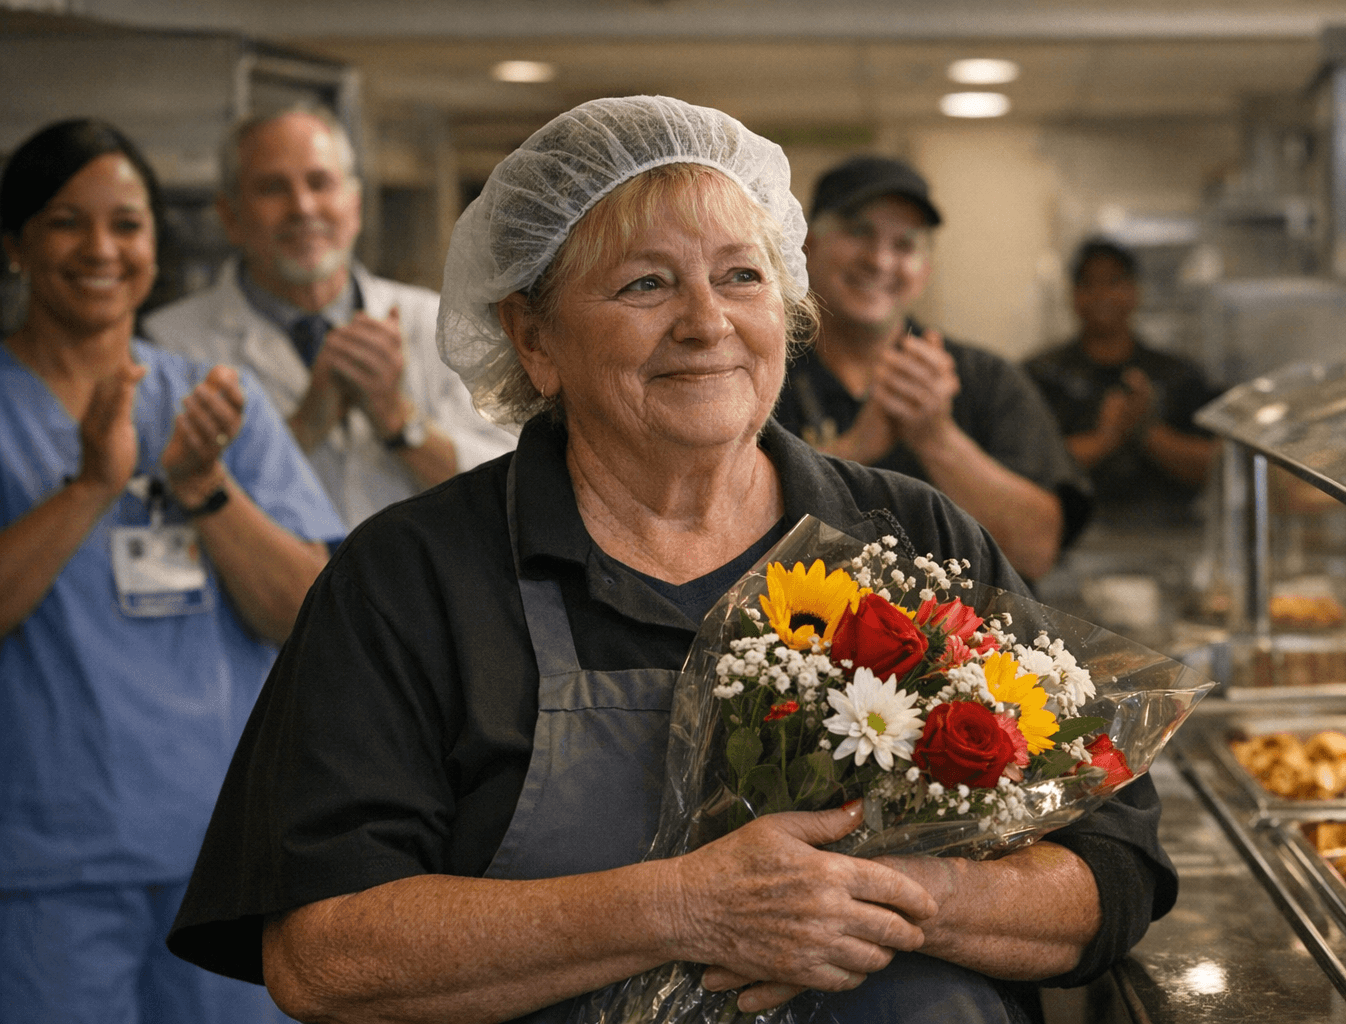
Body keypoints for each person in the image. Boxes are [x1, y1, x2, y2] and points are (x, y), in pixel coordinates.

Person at [169, 96, 1174, 1024]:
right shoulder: (413, 579)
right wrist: (686, 907)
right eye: (645, 282)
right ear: (532, 336)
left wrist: (897, 897)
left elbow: (1114, 861)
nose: (707, 321)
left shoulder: (914, 540)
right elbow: (322, 954)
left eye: (742, 275)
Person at [0, 119, 345, 1023]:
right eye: (68, 222)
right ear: (15, 246)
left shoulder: (215, 402)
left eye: (128, 222)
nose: (103, 248)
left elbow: (306, 613)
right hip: (45, 861)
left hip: (223, 859)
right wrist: (92, 487)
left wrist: (204, 486)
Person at [144, 105, 515, 528]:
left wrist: (399, 422)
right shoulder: (169, 344)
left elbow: (512, 489)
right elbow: (165, 510)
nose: (302, 207)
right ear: (230, 215)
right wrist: (303, 427)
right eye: (272, 188)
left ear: (354, 204)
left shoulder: (438, 322)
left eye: (320, 183)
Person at [773, 156, 1090, 583]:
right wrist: (851, 451)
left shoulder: (987, 381)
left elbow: (1035, 554)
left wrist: (937, 437)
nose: (880, 261)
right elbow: (717, 535)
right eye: (858, 232)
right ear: (807, 245)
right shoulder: (760, 375)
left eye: (904, 245)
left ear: (924, 270)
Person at [1026, 238, 1219, 529]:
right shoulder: (1042, 374)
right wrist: (1105, 439)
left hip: (1171, 539)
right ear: (1074, 295)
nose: (1102, 295)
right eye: (1089, 284)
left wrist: (1147, 430)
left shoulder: (1178, 374)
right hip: (1068, 540)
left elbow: (1216, 465)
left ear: (1135, 291)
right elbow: (1023, 467)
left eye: (1114, 282)